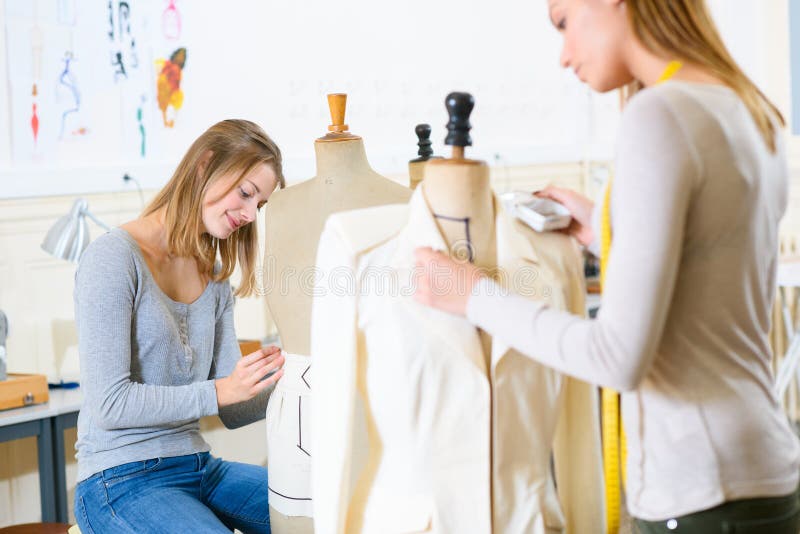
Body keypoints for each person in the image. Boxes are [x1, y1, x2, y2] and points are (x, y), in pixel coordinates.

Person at [413, 0, 800, 532]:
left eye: (564, 22)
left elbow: (616, 358)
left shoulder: (660, 114)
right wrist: (606, 228)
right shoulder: (751, 110)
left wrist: (472, 295)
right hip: (762, 471)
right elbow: (715, 262)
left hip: (699, 491)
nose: (564, 56)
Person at [73, 119, 286, 533]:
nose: (248, 214)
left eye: (258, 205)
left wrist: (304, 373)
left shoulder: (214, 276)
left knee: (327, 508)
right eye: (245, 193)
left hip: (200, 469)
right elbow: (110, 404)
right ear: (205, 165)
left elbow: (234, 409)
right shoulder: (114, 259)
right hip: (119, 480)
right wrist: (222, 390)